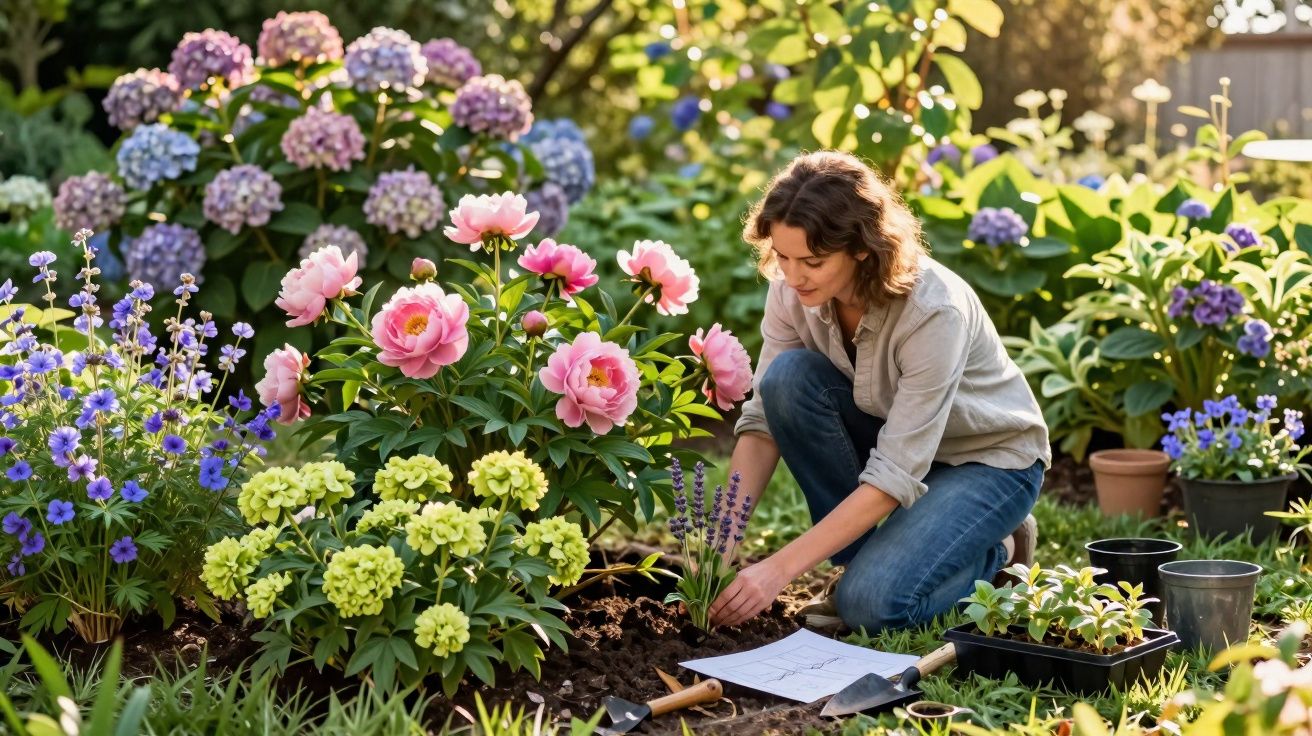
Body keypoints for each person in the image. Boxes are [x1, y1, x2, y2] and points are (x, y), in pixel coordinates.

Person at [708, 150, 1052, 632]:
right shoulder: (792, 286)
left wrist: (778, 571)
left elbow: (894, 471)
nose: (792, 275)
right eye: (782, 256)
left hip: (987, 463)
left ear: (863, 249)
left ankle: (1000, 550)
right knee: (786, 381)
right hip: (899, 443)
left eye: (812, 261)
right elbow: (764, 419)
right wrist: (718, 547)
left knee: (871, 606)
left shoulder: (933, 312)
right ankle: (883, 560)